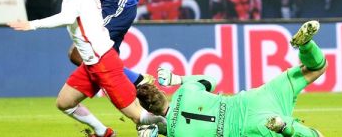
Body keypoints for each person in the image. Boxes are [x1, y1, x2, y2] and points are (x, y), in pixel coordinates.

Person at [8, 0, 165, 137]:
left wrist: (32, 25)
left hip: (103, 62)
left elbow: (66, 18)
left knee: (138, 116)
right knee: (64, 102)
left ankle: (175, 128)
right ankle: (103, 131)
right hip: (92, 64)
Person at [137, 20, 326, 137]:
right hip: (253, 100)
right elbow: (211, 80)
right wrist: (177, 79)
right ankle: (306, 46)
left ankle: (285, 128)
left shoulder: (176, 132)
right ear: (161, 91)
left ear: (150, 110)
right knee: (315, 69)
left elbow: (175, 126)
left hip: (248, 129)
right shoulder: (184, 92)